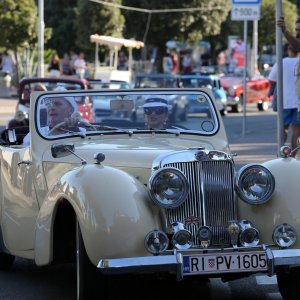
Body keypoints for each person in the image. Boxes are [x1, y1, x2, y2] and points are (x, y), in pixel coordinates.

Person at [268, 45, 300, 155]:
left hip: (284, 101)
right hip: (298, 103)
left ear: (288, 50)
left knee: (283, 129)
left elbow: (271, 80)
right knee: (296, 131)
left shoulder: (281, 62)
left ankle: (281, 153)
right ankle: (293, 155)